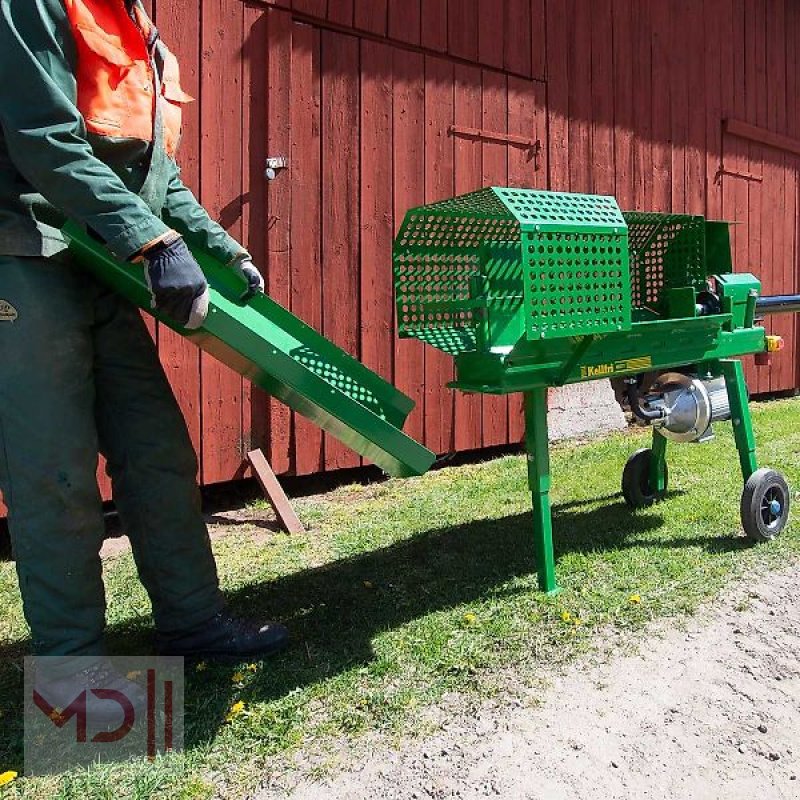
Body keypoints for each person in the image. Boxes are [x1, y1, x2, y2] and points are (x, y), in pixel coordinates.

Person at [0, 0, 289, 666]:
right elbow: (42, 136)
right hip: (23, 250)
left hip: (100, 258)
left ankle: (192, 624)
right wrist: (151, 242)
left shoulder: (135, 25)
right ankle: (71, 671)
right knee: (56, 474)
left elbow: (153, 173)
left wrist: (219, 248)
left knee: (156, 450)